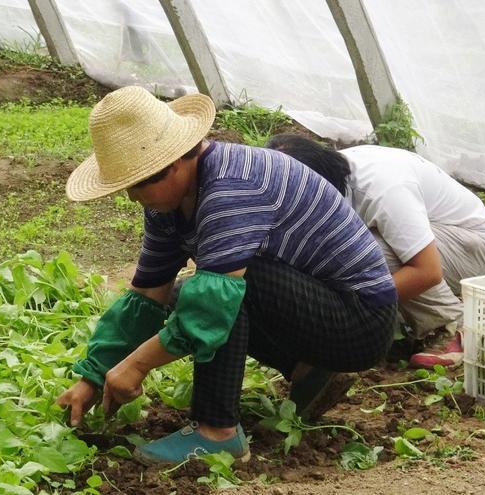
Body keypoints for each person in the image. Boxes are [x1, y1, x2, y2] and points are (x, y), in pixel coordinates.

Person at [55, 87, 397, 464]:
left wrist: (136, 366)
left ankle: (217, 431)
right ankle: (310, 370)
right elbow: (147, 295)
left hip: (360, 321)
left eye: (138, 183)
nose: (133, 197)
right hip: (315, 308)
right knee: (185, 293)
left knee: (218, 291)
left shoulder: (232, 186)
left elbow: (210, 308)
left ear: (174, 163)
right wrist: (93, 375)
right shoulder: (167, 206)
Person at [266, 134, 485, 368]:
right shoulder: (327, 174)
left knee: (365, 252)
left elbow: (427, 271)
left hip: (470, 244)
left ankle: (450, 325)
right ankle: (399, 326)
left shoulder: (381, 187)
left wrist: (354, 307)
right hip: (433, 240)